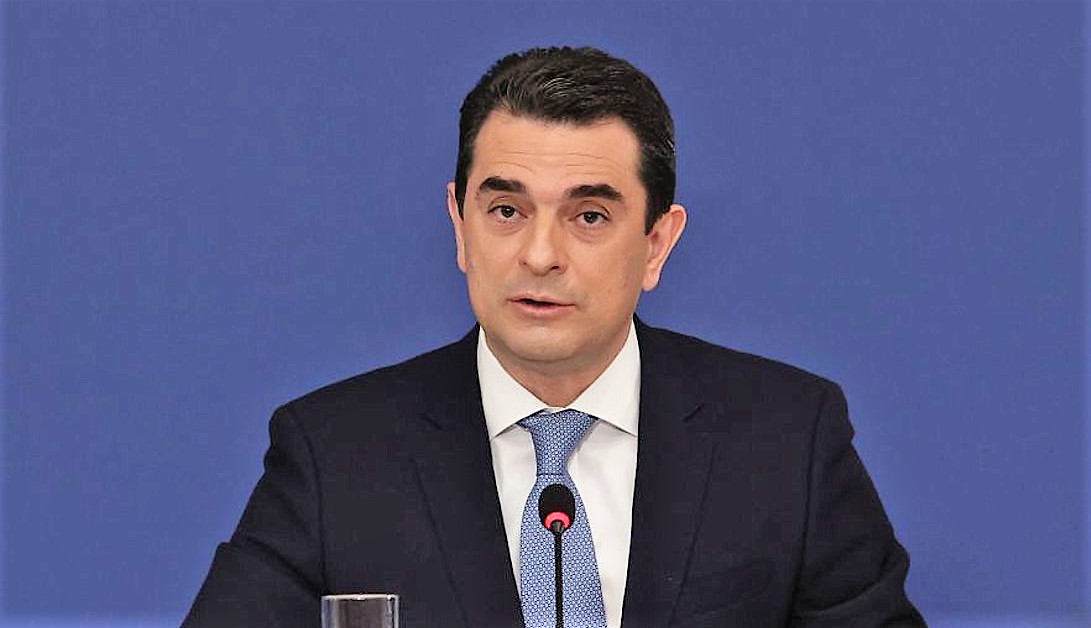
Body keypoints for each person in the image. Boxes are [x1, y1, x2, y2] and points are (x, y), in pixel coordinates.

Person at [183, 46, 925, 628]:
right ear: (459, 225)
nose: (540, 255)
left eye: (589, 216)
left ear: (657, 244)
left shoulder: (786, 438)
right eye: (506, 211)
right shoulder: (334, 452)